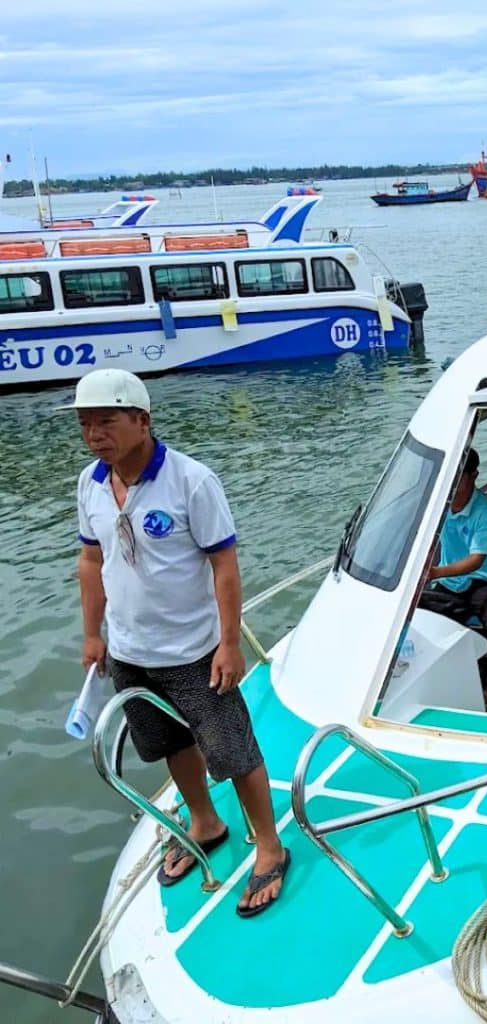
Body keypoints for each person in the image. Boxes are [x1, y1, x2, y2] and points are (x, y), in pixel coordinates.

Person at [63, 368, 289, 917]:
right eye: (86, 423)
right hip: (129, 652)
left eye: (106, 421)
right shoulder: (91, 483)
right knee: (168, 743)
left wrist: (229, 644)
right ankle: (205, 822)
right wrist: (93, 634)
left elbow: (224, 566)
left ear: (142, 420)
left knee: (233, 750)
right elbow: (91, 560)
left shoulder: (192, 481)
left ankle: (269, 845)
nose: (94, 434)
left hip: (194, 651)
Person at [419, 448, 487, 707]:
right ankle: (461, 670)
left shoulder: (484, 509)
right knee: (419, 614)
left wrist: (435, 572)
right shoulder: (440, 505)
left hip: (485, 580)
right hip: (450, 582)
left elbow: (476, 560)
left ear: (474, 475)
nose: (454, 484)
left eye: (460, 477)